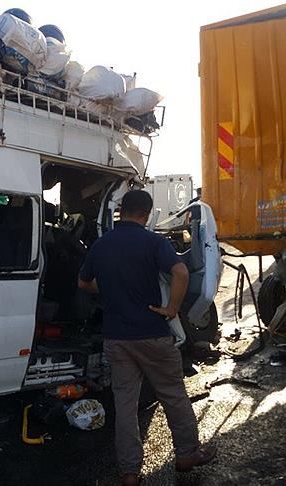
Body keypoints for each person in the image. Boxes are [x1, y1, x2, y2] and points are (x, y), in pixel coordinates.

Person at [78, 190, 216, 486]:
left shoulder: (102, 244)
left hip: (117, 338)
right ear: (147, 213)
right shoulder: (153, 242)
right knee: (172, 395)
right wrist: (172, 308)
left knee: (125, 405)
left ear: (122, 210)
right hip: (152, 334)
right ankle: (187, 454)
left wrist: (110, 289)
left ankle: (129, 472)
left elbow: (83, 283)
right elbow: (181, 272)